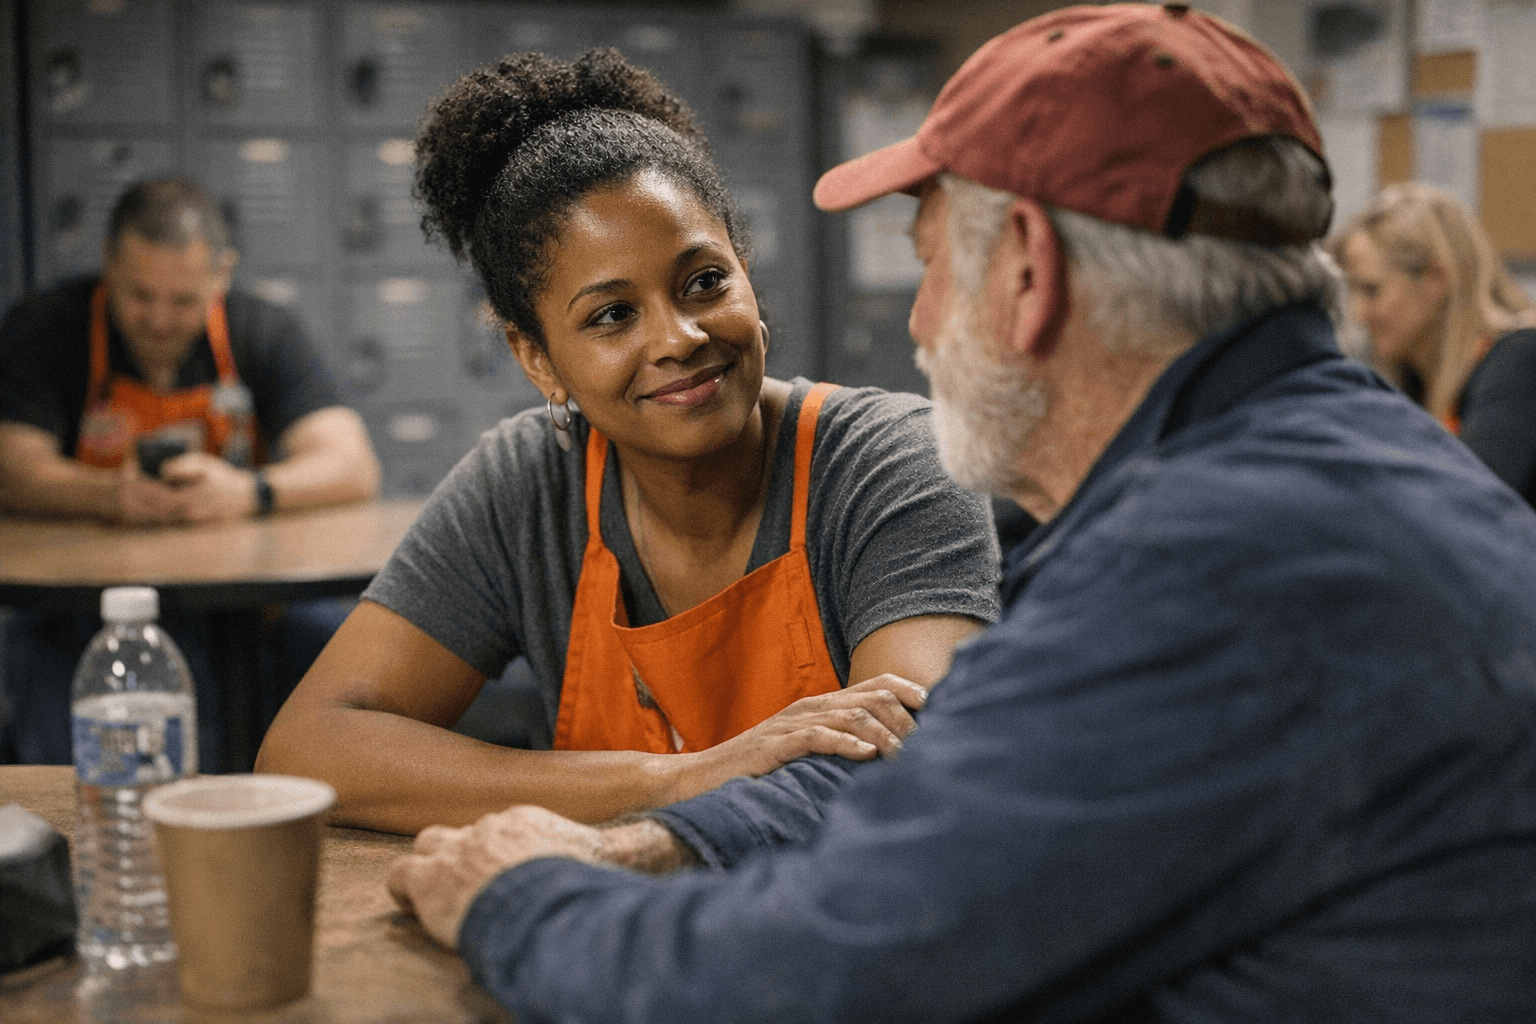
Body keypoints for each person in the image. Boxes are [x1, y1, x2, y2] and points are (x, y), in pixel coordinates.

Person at [386, 6, 1536, 1022]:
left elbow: (806, 980)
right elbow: (957, 776)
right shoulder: (1317, 469)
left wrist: (521, 894)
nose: (924, 326)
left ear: (1029, 274)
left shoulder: (1210, 568)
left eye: (930, 264)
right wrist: (653, 837)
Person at [255, 50, 1001, 835]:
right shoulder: (526, 487)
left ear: (747, 274)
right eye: (611, 315)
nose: (678, 338)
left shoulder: (891, 464)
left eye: (705, 281)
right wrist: (682, 777)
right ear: (537, 358)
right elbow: (308, 748)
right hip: (604, 928)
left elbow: (911, 767)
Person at [0, 177, 381, 771]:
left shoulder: (261, 331)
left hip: (243, 599)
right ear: (108, 265)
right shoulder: (46, 328)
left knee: (339, 646)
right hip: (91, 603)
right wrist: (108, 495)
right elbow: (15, 470)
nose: (158, 318)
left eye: (182, 301)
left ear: (220, 276)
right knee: (41, 650)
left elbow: (353, 463)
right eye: (139, 295)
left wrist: (248, 491)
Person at [1331, 182, 1536, 501]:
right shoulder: (1413, 383)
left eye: (1371, 291)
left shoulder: (1518, 360)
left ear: (1436, 279)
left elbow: (1475, 506)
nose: (1358, 314)